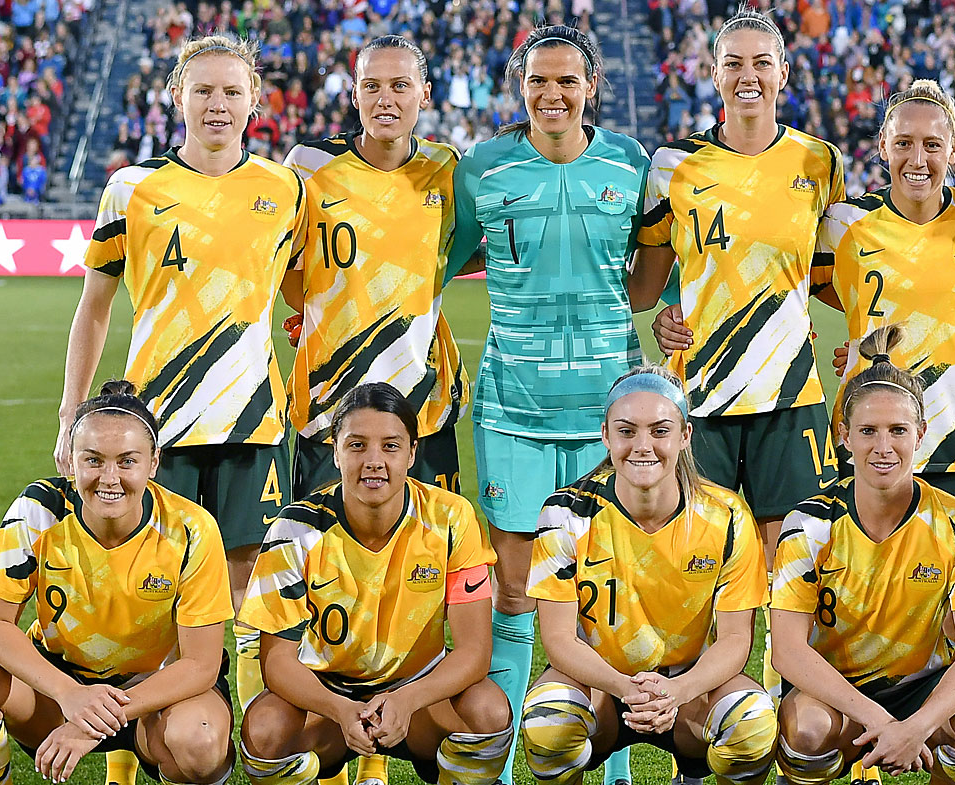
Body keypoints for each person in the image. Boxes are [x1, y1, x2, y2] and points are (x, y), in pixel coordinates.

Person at [55, 33, 306, 785]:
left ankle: (249, 737)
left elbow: (306, 291)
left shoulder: (285, 190)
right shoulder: (131, 188)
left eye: (232, 91)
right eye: (203, 90)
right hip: (152, 430)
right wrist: (71, 417)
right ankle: (129, 759)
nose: (217, 105)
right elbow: (94, 307)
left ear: (255, 100)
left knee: (244, 584)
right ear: (177, 97)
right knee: (151, 591)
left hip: (254, 422)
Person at [446, 24, 653, 785]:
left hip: (610, 416)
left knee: (605, 593)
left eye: (568, 80)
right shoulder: (483, 168)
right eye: (539, 80)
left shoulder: (630, 164)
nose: (553, 94)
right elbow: (436, 263)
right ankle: (500, 766)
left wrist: (667, 315)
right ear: (520, 86)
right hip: (514, 411)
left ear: (591, 86)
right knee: (515, 589)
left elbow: (655, 274)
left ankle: (615, 769)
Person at [634, 6, 845, 714]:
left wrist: (871, 334)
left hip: (791, 396)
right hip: (700, 400)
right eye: (734, 63)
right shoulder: (674, 165)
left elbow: (832, 278)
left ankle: (789, 724)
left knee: (793, 573)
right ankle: (697, 726)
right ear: (714, 74)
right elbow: (648, 282)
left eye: (761, 63)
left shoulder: (819, 162)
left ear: (784, 73)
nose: (748, 75)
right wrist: (666, 314)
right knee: (699, 573)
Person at [280, 33, 469, 785]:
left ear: (424, 94)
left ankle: (398, 733)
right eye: (371, 86)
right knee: (325, 577)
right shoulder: (308, 166)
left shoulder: (449, 170)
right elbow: (285, 267)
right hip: (328, 415)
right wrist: (315, 313)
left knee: (415, 581)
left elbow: (467, 253)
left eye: (399, 86)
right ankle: (343, 741)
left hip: (423, 414)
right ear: (353, 92)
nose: (385, 99)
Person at [0, 381, 235, 785]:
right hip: (59, 689)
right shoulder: (39, 510)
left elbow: (200, 664)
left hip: (155, 695)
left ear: (153, 463)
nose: (109, 478)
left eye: (127, 462)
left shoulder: (191, 528)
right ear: (70, 461)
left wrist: (94, 718)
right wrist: (69, 693)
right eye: (93, 460)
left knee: (199, 741)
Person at [236, 383, 514, 785]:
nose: (373, 461)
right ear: (335, 452)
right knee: (265, 728)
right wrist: (338, 708)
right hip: (328, 697)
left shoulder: (451, 518)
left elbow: (475, 652)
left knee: (487, 711)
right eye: (357, 445)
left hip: (419, 696)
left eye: (390, 446)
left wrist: (407, 699)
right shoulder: (295, 528)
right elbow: (276, 662)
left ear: (412, 453)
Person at [522, 366, 776, 785]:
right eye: (627, 431)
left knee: (751, 724)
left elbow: (735, 640)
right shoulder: (566, 514)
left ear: (685, 435)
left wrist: (677, 692)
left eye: (660, 431)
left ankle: (692, 772)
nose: (643, 446)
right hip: (600, 687)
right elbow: (558, 639)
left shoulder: (726, 515)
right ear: (606, 435)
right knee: (548, 721)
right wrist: (626, 689)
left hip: (690, 692)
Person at [770, 326, 955, 785]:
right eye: (868, 431)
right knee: (808, 730)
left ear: (921, 434)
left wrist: (916, 727)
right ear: (844, 436)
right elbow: (788, 650)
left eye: (898, 430)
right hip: (833, 691)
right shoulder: (809, 524)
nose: (883, 447)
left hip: (921, 688)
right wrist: (877, 720)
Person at [816, 78, 955, 532]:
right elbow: (799, 283)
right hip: (868, 437)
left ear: (954, 150)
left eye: (932, 144)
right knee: (867, 574)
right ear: (883, 147)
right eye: (903, 143)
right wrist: (864, 334)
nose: (918, 159)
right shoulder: (844, 224)